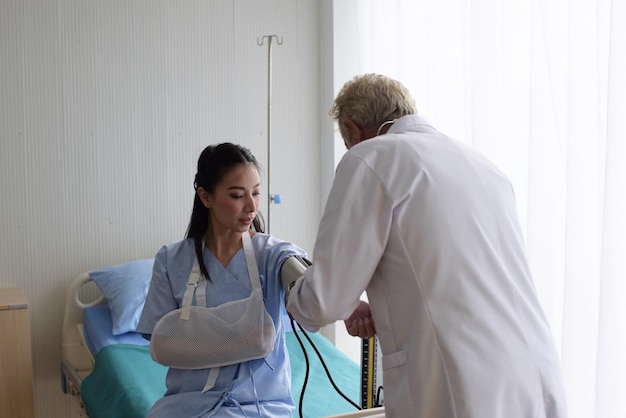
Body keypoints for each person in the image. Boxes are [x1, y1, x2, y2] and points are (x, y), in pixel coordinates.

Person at [285, 74, 568, 418]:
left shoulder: (370, 157)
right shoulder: (483, 165)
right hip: (532, 370)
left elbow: (322, 302)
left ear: (353, 129)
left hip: (462, 381)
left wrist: (293, 290)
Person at [137, 142, 307, 417]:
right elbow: (163, 343)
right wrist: (241, 338)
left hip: (261, 408)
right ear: (206, 197)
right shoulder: (171, 260)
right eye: (238, 195)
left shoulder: (271, 254)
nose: (252, 206)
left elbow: (306, 277)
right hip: (186, 407)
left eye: (256, 193)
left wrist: (342, 300)